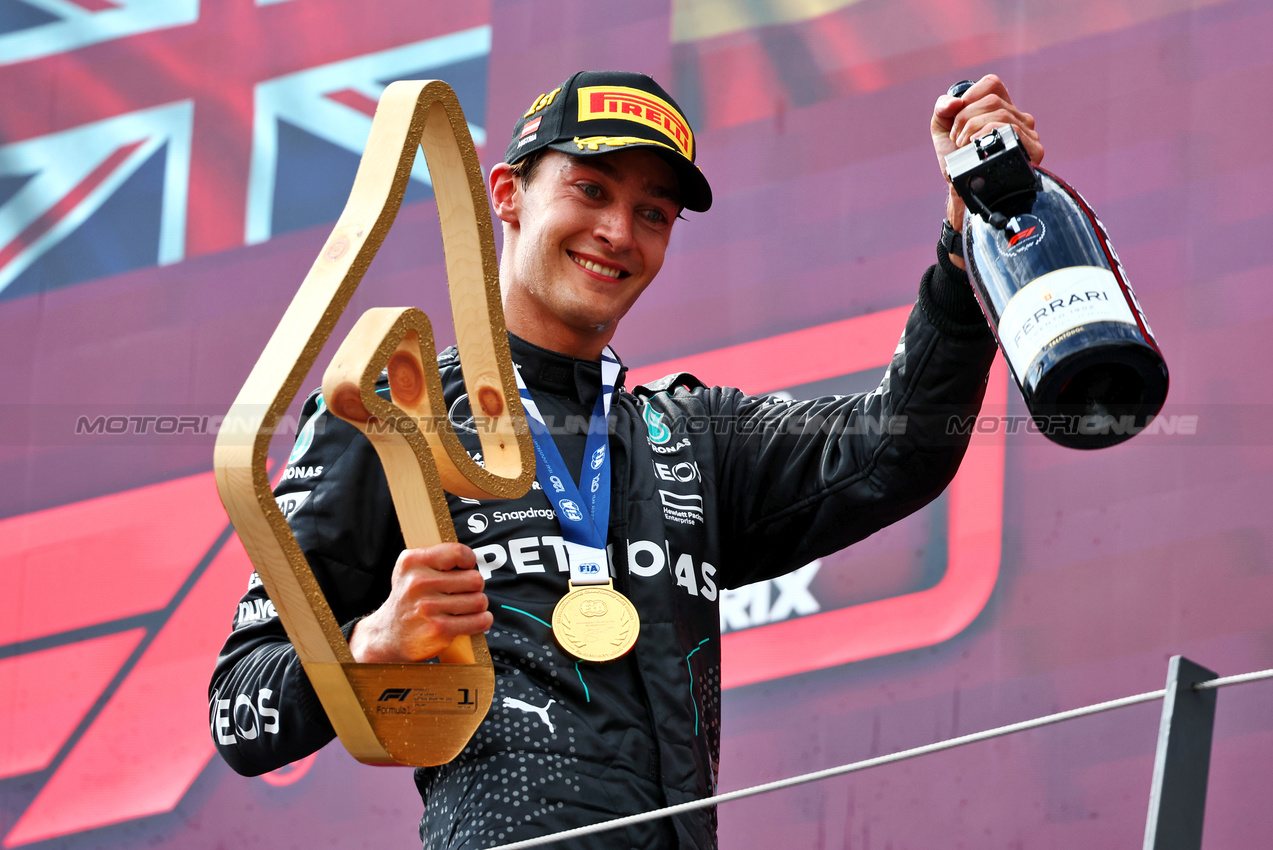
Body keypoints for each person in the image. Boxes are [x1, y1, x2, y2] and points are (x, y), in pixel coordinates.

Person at [210, 70, 1043, 848]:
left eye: (653, 213)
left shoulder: (686, 435)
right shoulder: (394, 413)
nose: (618, 232)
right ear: (506, 194)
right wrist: (372, 646)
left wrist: (963, 235)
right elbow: (237, 707)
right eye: (591, 190)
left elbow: (898, 445)